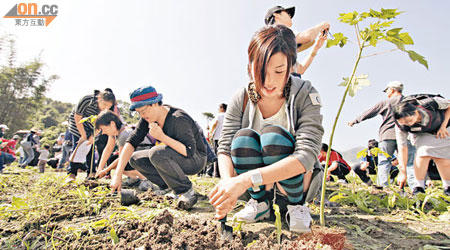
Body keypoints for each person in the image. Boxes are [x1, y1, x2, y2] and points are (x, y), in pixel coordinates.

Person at [209, 25, 324, 233]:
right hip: (255, 189)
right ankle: (259, 203)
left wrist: (244, 179)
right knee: (242, 138)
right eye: (260, 72)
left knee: (273, 137)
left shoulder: (305, 94)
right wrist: (228, 188)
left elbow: (307, 154)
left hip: (296, 185)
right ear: (249, 67)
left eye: (279, 71)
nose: (269, 82)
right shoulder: (241, 97)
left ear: (291, 67)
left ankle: (296, 205)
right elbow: (225, 148)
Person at [109, 85, 207, 210]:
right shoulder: (147, 119)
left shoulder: (178, 118)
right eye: (139, 113)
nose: (142, 115)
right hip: (175, 156)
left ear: (155, 104)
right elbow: (132, 141)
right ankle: (167, 187)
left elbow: (189, 151)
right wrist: (118, 174)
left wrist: (162, 137)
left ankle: (186, 191)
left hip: (195, 159)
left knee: (156, 153)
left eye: (143, 111)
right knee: (135, 158)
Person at [348, 81, 416, 188]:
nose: (386, 93)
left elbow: (370, 112)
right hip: (406, 135)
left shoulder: (386, 102)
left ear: (392, 90)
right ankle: (416, 189)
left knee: (384, 162)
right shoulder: (410, 102)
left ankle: (384, 188)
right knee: (410, 163)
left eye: (386, 90)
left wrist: (355, 121)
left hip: (388, 135)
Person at [393, 95, 450, 196]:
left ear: (416, 112)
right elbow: (402, 148)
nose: (408, 124)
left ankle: (447, 187)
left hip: (442, 125)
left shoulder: (430, 104)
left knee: (443, 157)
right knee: (423, 152)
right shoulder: (401, 126)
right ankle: (418, 187)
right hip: (420, 133)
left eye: (409, 121)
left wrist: (443, 126)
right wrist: (403, 173)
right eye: (404, 123)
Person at [264, 6, 329, 76]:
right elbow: (307, 37)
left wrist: (316, 48)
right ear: (276, 14)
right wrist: (323, 25)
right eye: (287, 12)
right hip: (284, 83)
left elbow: (300, 69)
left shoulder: (272, 39)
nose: (290, 16)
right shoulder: (278, 31)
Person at [94, 110, 149, 190]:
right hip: (135, 155)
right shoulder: (115, 133)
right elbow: (108, 149)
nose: (103, 133)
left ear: (112, 124)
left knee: (123, 163)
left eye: (103, 129)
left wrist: (105, 170)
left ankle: (145, 178)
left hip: (144, 157)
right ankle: (134, 178)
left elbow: (122, 158)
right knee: (111, 160)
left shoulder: (124, 134)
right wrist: (99, 169)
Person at [67, 89, 116, 178]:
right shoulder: (86, 100)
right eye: (104, 105)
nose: (105, 108)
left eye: (108, 106)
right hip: (78, 124)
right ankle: (72, 173)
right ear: (99, 98)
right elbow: (77, 117)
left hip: (92, 127)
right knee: (78, 146)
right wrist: (83, 135)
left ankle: (91, 173)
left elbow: (100, 124)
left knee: (91, 147)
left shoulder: (107, 110)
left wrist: (93, 136)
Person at [206, 103, 227, 177]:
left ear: (222, 108)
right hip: (226, 138)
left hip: (217, 138)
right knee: (224, 155)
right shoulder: (228, 115)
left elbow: (215, 123)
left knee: (216, 155)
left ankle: (216, 173)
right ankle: (222, 173)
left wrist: (211, 132)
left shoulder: (219, 115)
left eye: (219, 108)